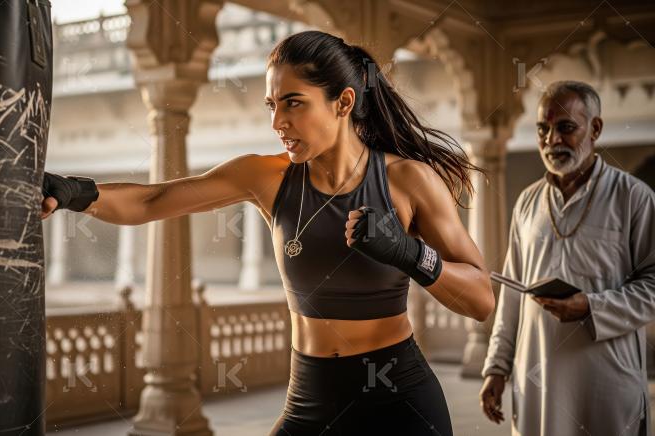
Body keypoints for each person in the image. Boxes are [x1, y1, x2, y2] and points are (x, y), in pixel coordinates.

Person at [42, 30, 495, 435]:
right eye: (271, 105)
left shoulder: (407, 181)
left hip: (400, 401)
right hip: (310, 399)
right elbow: (152, 201)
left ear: (344, 102)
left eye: (293, 102)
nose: (277, 122)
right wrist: (75, 192)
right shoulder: (266, 178)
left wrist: (409, 253)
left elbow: (480, 300)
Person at [480, 80, 655, 436]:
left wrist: (590, 306)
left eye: (566, 128)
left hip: (607, 383)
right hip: (537, 381)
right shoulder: (528, 203)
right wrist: (496, 367)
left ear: (596, 129)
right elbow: (512, 296)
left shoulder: (634, 198)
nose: (552, 140)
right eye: (543, 129)